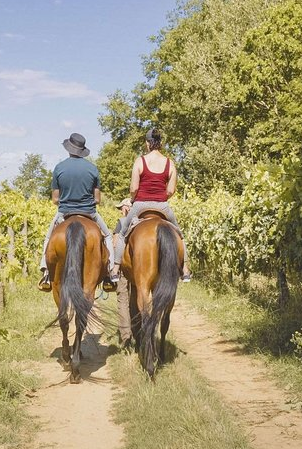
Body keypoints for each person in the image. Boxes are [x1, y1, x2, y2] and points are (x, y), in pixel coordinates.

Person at [110, 127, 191, 282]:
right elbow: (171, 190)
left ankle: (115, 268)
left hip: (140, 204)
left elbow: (133, 188)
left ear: (148, 143)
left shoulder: (140, 161)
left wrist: (134, 199)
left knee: (122, 234)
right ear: (160, 143)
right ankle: (185, 268)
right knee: (179, 234)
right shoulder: (169, 163)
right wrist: (161, 196)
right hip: (162, 206)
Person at [38, 132, 114, 291]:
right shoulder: (92, 169)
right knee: (107, 237)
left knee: (48, 237)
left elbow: (55, 199)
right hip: (89, 212)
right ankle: (109, 274)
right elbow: (98, 199)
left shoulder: (59, 167)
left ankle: (45, 273)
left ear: (69, 148)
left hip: (64, 212)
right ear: (82, 150)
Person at [113, 198, 133, 350]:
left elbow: (114, 243)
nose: (121, 210)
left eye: (122, 207)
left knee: (123, 299)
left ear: (127, 208)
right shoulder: (141, 221)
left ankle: (126, 335)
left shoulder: (121, 222)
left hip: (123, 268)